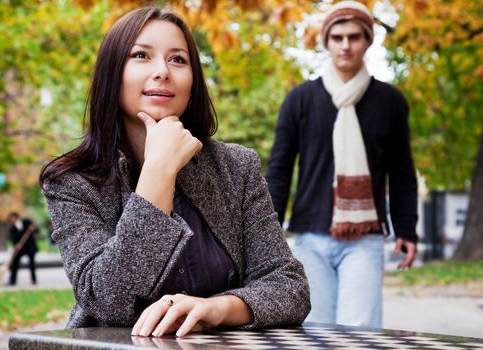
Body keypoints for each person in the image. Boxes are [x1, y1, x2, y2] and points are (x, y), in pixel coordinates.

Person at [39, 7, 310, 337]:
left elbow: (289, 286)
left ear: (193, 81)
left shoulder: (236, 168)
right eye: (141, 55)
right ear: (112, 74)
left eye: (178, 60)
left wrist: (216, 309)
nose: (162, 72)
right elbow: (109, 301)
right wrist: (159, 169)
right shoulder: (71, 180)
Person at [265, 0, 418, 328]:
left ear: (368, 40)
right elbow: (279, 169)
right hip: (309, 235)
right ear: (326, 42)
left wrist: (407, 228)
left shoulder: (390, 102)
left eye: (354, 37)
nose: (345, 45)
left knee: (360, 336)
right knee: (315, 333)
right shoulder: (300, 99)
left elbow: (402, 172)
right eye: (337, 37)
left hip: (365, 238)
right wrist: (267, 231)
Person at [7, 211, 38, 285]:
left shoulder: (27, 222)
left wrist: (33, 229)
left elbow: (36, 231)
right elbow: (13, 239)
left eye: (12, 218)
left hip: (30, 247)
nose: (11, 220)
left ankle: (34, 280)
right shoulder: (12, 228)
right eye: (10, 219)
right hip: (20, 249)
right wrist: (16, 244)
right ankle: (12, 281)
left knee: (32, 264)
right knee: (15, 263)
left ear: (16, 217)